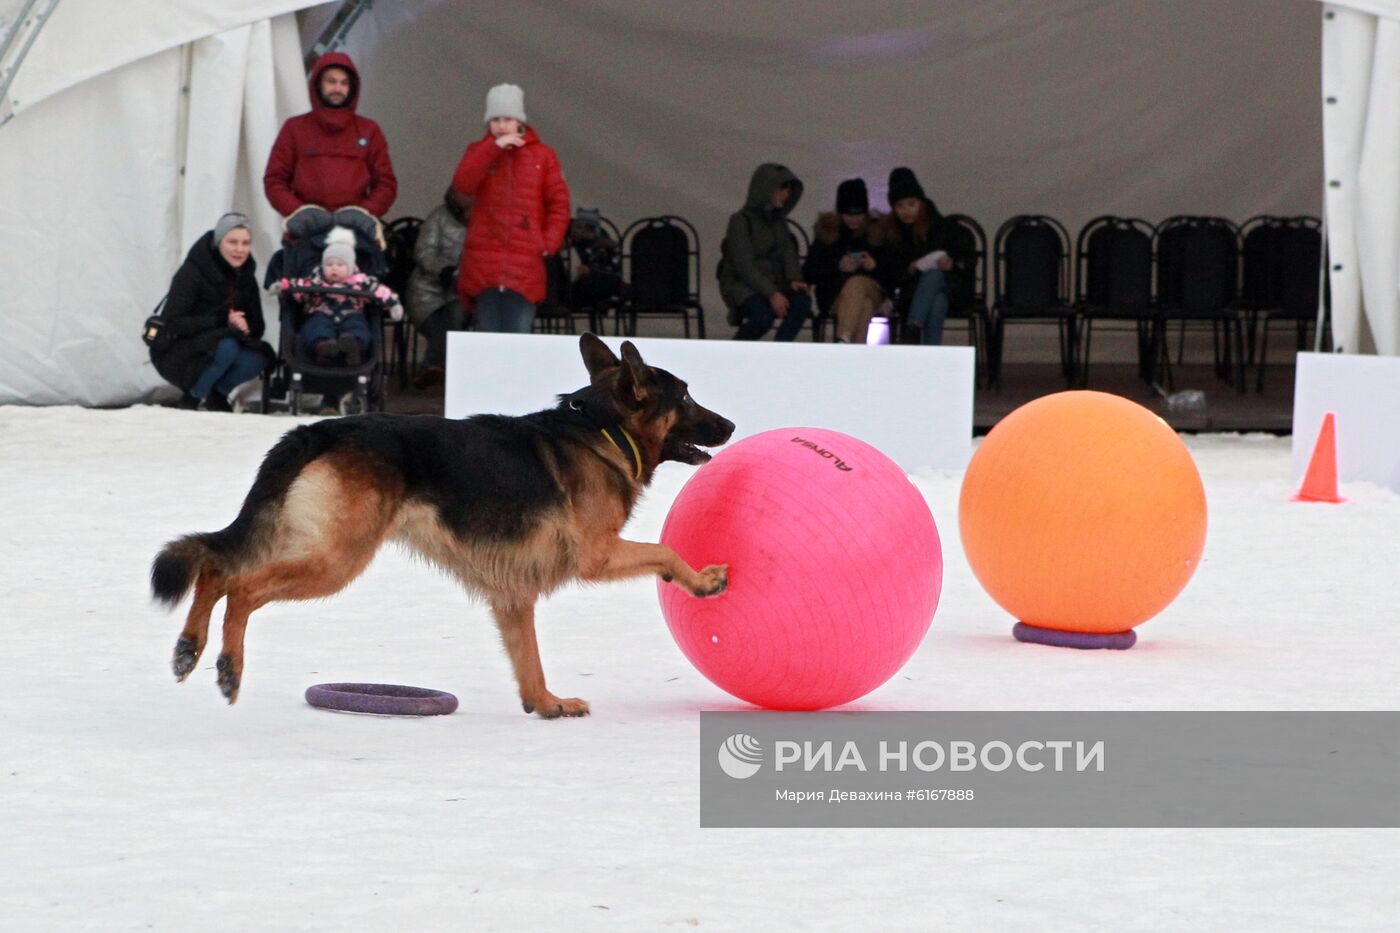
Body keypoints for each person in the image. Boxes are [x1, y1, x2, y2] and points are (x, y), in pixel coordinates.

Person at [451, 83, 570, 333]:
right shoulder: (478, 151)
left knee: (519, 336)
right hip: (484, 263)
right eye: (495, 119)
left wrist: (547, 243)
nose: (501, 125)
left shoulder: (543, 156)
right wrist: (492, 149)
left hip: (525, 263)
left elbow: (559, 205)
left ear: (520, 120)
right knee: (489, 335)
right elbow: (463, 184)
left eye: (507, 118)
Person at [263, 53, 397, 244]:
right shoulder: (294, 128)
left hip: (355, 236)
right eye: (331, 81)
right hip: (304, 235)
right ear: (318, 84)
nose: (338, 88)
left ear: (352, 88)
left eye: (344, 83)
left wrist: (362, 213)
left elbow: (386, 184)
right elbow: (274, 180)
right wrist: (302, 213)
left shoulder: (369, 130)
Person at [150, 213, 274, 411]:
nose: (239, 250)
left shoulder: (246, 276)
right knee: (227, 347)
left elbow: (257, 326)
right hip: (179, 350)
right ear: (219, 241)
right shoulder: (192, 271)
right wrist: (222, 321)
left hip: (222, 342)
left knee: (260, 357)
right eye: (232, 242)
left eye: (245, 243)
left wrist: (245, 327)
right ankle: (192, 397)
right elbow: (173, 323)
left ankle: (218, 394)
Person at [876, 166, 974, 345]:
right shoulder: (892, 234)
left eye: (911, 204)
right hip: (912, 293)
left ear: (921, 202)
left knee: (935, 276)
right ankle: (927, 348)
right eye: (900, 206)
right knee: (937, 300)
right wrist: (910, 269)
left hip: (952, 288)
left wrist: (952, 264)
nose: (906, 211)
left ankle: (913, 331)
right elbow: (889, 274)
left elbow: (967, 260)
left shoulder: (943, 227)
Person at [278, 229, 403, 367]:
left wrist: (393, 304)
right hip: (320, 312)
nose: (334, 269)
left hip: (351, 314)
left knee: (358, 328)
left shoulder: (361, 281)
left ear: (349, 267)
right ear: (323, 265)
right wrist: (283, 286)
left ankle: (354, 346)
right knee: (315, 327)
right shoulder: (315, 280)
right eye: (329, 264)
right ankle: (324, 347)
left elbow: (379, 291)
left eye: (340, 265)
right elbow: (298, 286)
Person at [718, 163, 810, 341]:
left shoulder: (779, 222)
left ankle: (779, 349)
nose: (786, 195)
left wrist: (794, 280)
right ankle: (736, 351)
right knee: (762, 316)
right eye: (782, 188)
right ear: (766, 188)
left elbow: (788, 253)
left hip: (776, 284)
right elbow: (744, 265)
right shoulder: (740, 221)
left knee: (801, 303)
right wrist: (772, 293)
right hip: (744, 286)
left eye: (789, 190)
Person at [802, 178, 887, 343]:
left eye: (859, 214)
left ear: (866, 212)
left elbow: (893, 270)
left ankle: (843, 339)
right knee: (865, 304)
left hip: (872, 288)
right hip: (834, 295)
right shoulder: (828, 231)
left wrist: (873, 266)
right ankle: (852, 354)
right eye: (849, 214)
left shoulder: (877, 231)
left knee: (856, 283)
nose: (854, 219)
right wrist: (837, 266)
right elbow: (810, 271)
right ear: (840, 212)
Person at [406, 187, 471, 384]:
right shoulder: (438, 217)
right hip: (426, 290)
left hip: (461, 291)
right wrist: (443, 270)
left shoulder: (485, 218)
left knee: (455, 316)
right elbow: (423, 251)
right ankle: (441, 370)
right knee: (437, 325)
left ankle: (432, 366)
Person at [567, 207, 622, 324]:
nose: (580, 231)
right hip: (577, 289)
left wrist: (590, 271)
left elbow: (613, 271)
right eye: (578, 227)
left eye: (586, 228)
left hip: (598, 283)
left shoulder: (605, 247)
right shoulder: (571, 245)